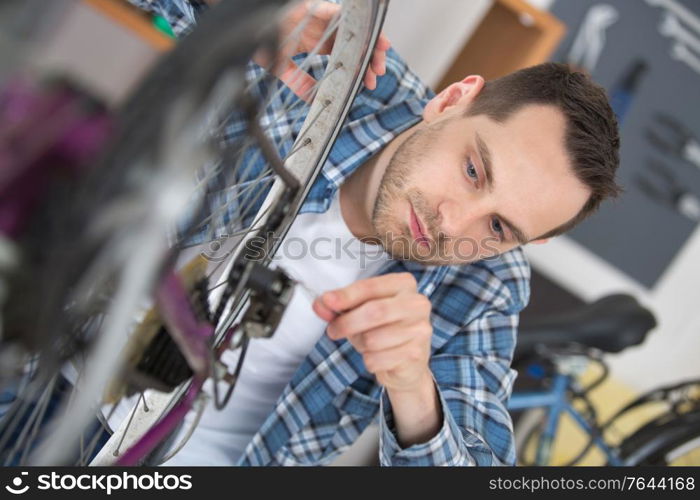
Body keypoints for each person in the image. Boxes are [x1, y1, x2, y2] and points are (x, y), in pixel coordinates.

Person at [126, 0, 621, 466]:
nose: (450, 224)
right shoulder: (333, 71)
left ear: (533, 242)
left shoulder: (488, 284)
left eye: (497, 227)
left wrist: (413, 388)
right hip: (58, 353)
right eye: (472, 170)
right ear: (453, 100)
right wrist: (238, 14)